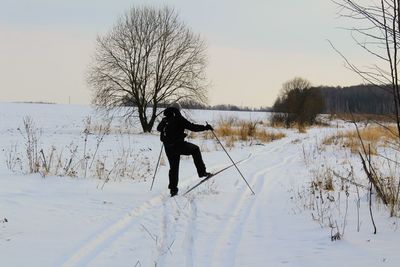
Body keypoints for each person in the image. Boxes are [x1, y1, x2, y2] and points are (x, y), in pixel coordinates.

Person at [157, 103, 213, 197]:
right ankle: (202, 172)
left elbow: (159, 129)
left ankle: (173, 190)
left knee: (174, 168)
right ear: (178, 109)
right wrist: (205, 128)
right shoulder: (179, 118)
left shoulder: (165, 119)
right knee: (195, 149)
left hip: (168, 147)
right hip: (178, 145)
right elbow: (192, 127)